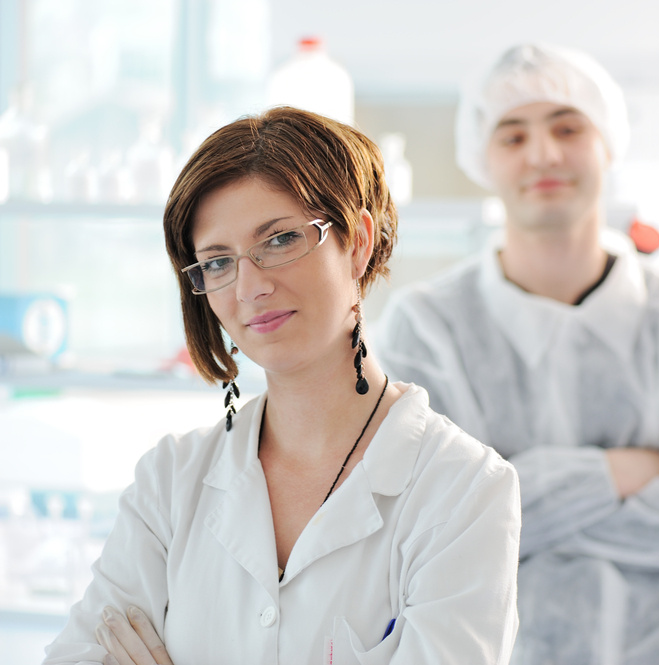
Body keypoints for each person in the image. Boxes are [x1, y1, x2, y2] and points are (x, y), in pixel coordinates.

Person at [43, 106, 521, 665]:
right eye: (217, 262)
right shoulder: (170, 482)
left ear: (359, 241)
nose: (250, 286)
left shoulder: (463, 491)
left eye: (279, 240)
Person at [377, 44, 659, 664]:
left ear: (609, 143)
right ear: (483, 160)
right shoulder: (429, 328)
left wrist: (508, 491)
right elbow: (430, 532)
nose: (544, 154)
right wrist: (620, 472)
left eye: (567, 127)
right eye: (513, 135)